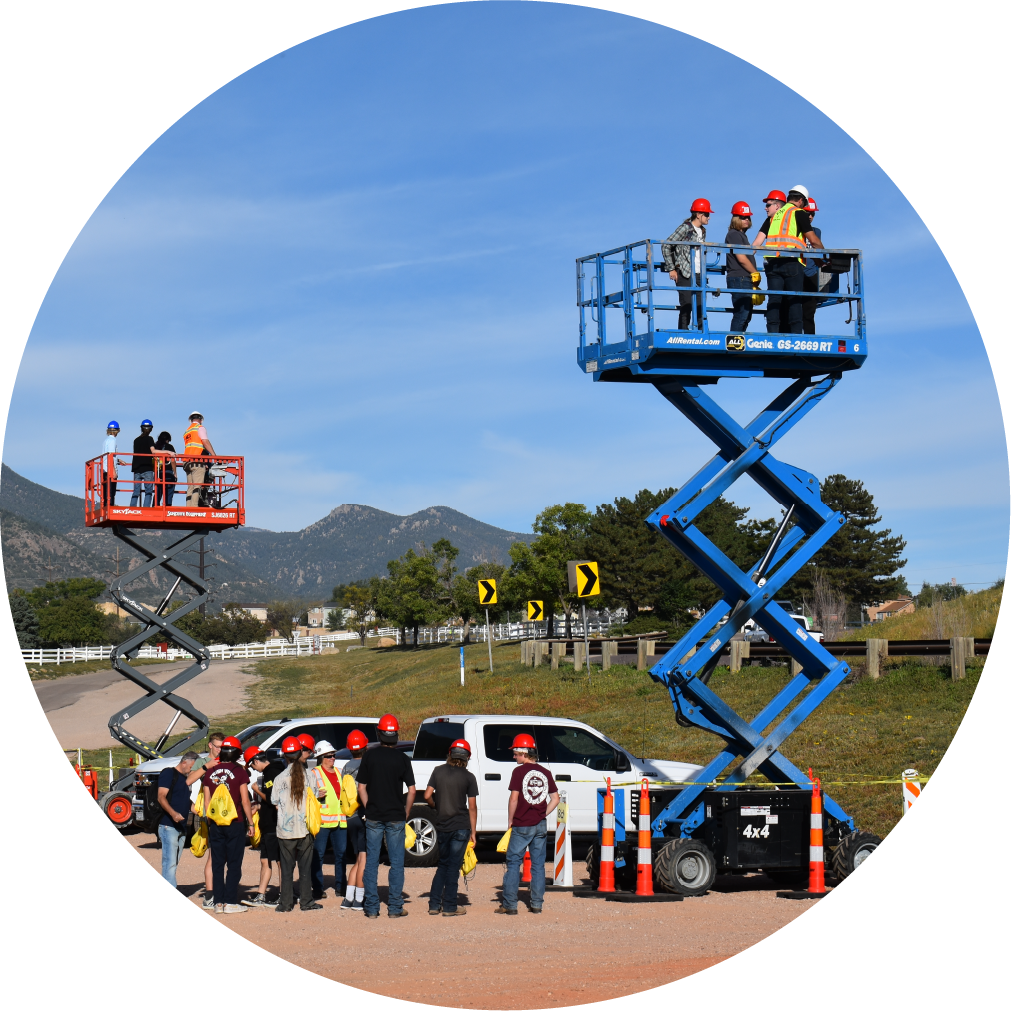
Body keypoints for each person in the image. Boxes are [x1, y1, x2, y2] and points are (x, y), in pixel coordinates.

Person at [358, 713, 415, 919]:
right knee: (397, 862)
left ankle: (372, 908)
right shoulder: (402, 758)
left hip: (373, 815)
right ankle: (395, 907)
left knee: (372, 862)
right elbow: (412, 789)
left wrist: (368, 806)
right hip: (395, 816)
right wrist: (406, 811)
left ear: (380, 733)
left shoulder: (370, 755)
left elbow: (361, 786)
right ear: (396, 734)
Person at [496, 733, 559, 916]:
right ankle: (537, 904)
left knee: (514, 862)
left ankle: (510, 905)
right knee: (538, 865)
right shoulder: (546, 772)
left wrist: (510, 820)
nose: (514, 756)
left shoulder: (518, 772)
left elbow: (514, 798)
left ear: (524, 752)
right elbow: (555, 799)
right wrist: (542, 813)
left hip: (522, 824)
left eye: (516, 753)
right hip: (540, 825)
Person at [752, 184, 825, 334]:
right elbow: (814, 240)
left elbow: (755, 244)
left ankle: (772, 333)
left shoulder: (773, 216)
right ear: (800, 200)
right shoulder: (798, 213)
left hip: (772, 264)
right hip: (792, 263)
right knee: (794, 301)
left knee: (774, 300)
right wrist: (822, 258)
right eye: (804, 203)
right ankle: (796, 335)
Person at [425, 739, 478, 917]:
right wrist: (473, 832)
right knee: (454, 867)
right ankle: (449, 906)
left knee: (443, 865)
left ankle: (434, 904)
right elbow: (472, 807)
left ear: (450, 753)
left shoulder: (438, 771)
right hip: (461, 827)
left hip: (443, 825)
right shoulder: (469, 777)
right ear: (467, 757)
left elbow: (426, 795)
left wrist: (436, 805)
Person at [201, 735, 253, 914]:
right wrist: (251, 822)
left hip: (215, 823)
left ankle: (218, 902)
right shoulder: (240, 772)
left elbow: (207, 803)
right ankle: (230, 902)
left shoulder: (210, 772)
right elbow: (245, 800)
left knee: (217, 863)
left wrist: (211, 822)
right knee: (233, 863)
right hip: (235, 821)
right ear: (237, 753)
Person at [271, 736, 323, 913]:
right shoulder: (310, 776)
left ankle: (285, 904)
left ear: (284, 756)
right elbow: (315, 798)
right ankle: (306, 902)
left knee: (286, 869)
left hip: (285, 831)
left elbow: (275, 802)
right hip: (305, 828)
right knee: (305, 868)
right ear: (300, 753)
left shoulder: (279, 778)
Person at [662, 198, 712, 329]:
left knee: (701, 307)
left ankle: (702, 334)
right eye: (706, 214)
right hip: (684, 272)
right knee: (687, 305)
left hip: (699, 274)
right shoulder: (685, 228)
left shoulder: (703, 231)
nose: (709, 217)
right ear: (698, 215)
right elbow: (666, 245)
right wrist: (671, 269)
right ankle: (683, 334)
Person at [308, 740, 348, 902]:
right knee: (318, 856)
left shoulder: (340, 772)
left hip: (340, 821)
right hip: (322, 822)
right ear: (320, 757)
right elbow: (306, 794)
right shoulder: (314, 773)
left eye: (334, 755)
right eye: (329, 756)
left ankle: (341, 887)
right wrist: (316, 794)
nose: (333, 758)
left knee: (341, 855)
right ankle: (317, 888)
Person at [188, 732, 224, 908]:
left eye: (222, 747)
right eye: (217, 746)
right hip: (209, 813)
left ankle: (220, 890)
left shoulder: (226, 760)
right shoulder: (202, 762)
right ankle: (210, 894)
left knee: (223, 854)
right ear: (210, 745)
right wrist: (207, 767)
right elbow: (188, 780)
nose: (220, 750)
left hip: (225, 813)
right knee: (213, 854)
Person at [242, 747, 280, 907]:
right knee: (265, 860)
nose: (253, 769)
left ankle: (285, 894)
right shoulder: (270, 772)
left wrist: (256, 789)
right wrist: (259, 806)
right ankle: (261, 894)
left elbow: (273, 799)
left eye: (252, 766)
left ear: (256, 761)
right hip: (267, 824)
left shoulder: (273, 772)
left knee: (279, 861)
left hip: (274, 825)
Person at [156, 751, 198, 890]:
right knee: (169, 862)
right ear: (184, 762)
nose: (192, 770)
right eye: (191, 766)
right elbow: (161, 796)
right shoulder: (169, 773)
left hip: (181, 826)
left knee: (174, 861)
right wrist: (173, 814)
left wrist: (197, 809)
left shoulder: (185, 780)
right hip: (169, 825)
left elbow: (184, 799)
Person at [800, 197, 839, 335]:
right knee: (793, 311)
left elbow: (817, 254)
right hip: (796, 275)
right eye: (807, 213)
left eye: (813, 214)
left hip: (811, 276)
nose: (810, 216)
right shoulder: (794, 231)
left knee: (809, 313)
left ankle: (810, 340)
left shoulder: (817, 232)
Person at [340, 729, 369, 911]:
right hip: (363, 815)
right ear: (365, 746)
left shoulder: (345, 768)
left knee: (358, 859)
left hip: (349, 817)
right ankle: (359, 899)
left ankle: (348, 899)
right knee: (364, 859)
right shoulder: (367, 765)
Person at [724, 201, 760, 333]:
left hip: (744, 278)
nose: (746, 220)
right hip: (739, 278)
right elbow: (741, 258)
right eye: (743, 217)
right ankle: (734, 341)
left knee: (746, 315)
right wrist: (755, 272)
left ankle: (739, 339)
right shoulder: (734, 234)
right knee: (742, 313)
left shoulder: (740, 235)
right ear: (736, 219)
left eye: (748, 217)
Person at [183, 411, 215, 507]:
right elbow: (205, 442)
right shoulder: (199, 428)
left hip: (187, 461)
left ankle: (188, 507)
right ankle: (193, 508)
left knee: (190, 487)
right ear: (201, 420)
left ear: (191, 420)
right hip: (197, 461)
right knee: (197, 486)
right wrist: (214, 455)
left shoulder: (187, 431)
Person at [129, 420, 163, 508]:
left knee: (136, 490)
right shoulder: (150, 439)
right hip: (147, 468)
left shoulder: (136, 440)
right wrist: (167, 452)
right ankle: (146, 508)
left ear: (141, 428)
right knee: (148, 491)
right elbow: (153, 451)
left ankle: (132, 507)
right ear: (151, 429)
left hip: (137, 468)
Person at [153, 431, 177, 506]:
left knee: (158, 491)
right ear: (167, 440)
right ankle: (168, 508)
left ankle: (155, 507)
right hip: (168, 473)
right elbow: (172, 460)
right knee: (169, 492)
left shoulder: (155, 447)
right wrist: (175, 473)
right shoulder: (170, 447)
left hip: (158, 472)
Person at [102, 421, 122, 507]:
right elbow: (110, 455)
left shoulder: (106, 440)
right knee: (111, 493)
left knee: (106, 493)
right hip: (110, 470)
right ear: (117, 430)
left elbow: (108, 455)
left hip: (105, 469)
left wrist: (118, 460)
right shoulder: (113, 441)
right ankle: (110, 508)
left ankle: (106, 507)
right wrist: (113, 471)